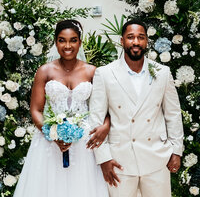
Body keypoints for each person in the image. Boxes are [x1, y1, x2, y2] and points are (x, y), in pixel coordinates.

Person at [13, 19, 109, 197]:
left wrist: (106, 125)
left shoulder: (92, 71)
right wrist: (52, 133)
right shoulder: (45, 71)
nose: (68, 45)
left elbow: (105, 107)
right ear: (56, 42)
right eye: (62, 40)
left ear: (80, 42)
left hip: (84, 143)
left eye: (73, 40)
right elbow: (36, 109)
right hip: (49, 143)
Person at [89, 19, 184, 197]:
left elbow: (173, 114)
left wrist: (176, 151)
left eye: (141, 37)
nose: (136, 42)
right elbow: (96, 119)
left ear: (147, 41)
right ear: (122, 40)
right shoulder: (105, 73)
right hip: (119, 160)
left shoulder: (162, 72)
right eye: (130, 37)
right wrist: (104, 158)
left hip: (157, 158)